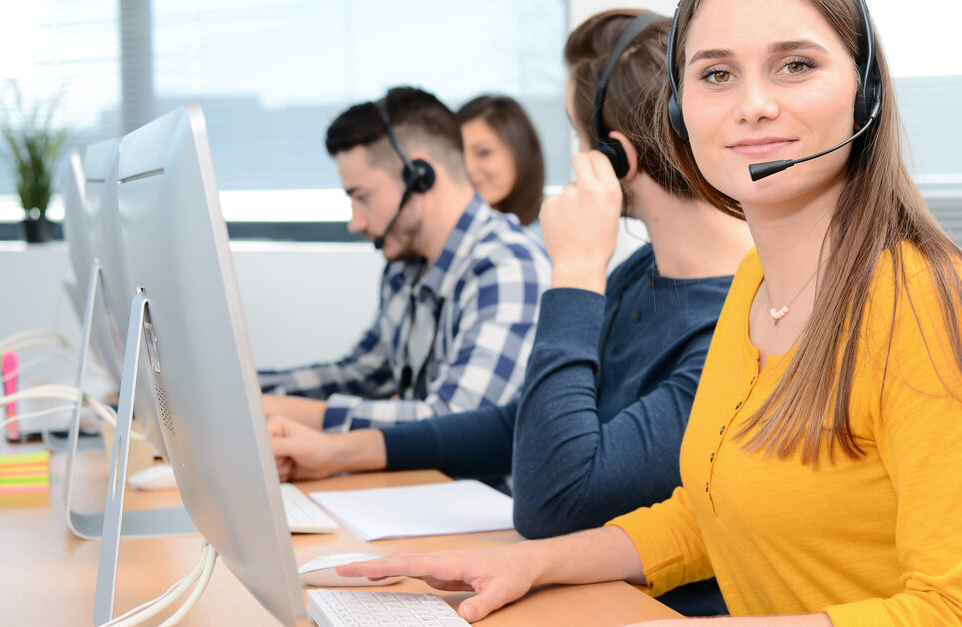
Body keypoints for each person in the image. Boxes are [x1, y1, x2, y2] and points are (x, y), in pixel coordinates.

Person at [334, 0, 962, 624]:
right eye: (716, 74)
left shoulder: (929, 303)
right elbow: (709, 513)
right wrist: (530, 563)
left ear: (865, 91)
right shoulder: (756, 283)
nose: (752, 103)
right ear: (678, 113)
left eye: (795, 64)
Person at [267, 10, 753, 616]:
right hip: (584, 594)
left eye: (579, 142)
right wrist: (341, 450)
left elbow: (554, 503)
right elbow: (516, 424)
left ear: (614, 157)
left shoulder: (741, 318)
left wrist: (575, 271)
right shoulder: (641, 276)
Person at [259, 86, 550, 432]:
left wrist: (297, 414)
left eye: (362, 197)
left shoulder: (508, 266)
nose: (356, 222)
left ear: (420, 178)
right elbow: (365, 374)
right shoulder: (404, 266)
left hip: (478, 486)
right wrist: (248, 391)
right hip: (420, 482)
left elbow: (457, 422)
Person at [457, 95, 545, 226]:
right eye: (459, 154)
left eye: (484, 152)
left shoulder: (547, 238)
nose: (468, 168)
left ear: (521, 152)